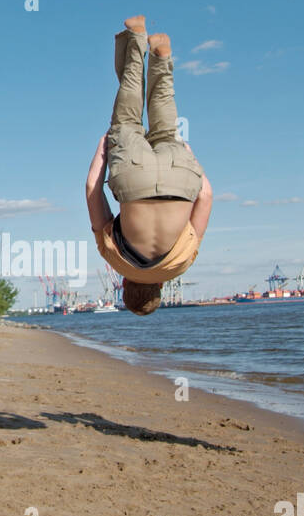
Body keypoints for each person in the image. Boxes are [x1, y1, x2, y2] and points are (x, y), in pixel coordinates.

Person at [86, 16, 214, 316]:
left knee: (166, 128)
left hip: (180, 180)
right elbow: (93, 190)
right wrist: (102, 151)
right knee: (128, 117)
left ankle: (162, 59)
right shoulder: (115, 260)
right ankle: (136, 39)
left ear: (159, 287)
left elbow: (205, 197)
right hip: (133, 179)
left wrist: (193, 163)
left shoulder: (181, 263)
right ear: (124, 283)